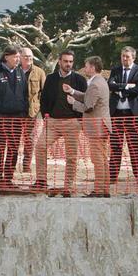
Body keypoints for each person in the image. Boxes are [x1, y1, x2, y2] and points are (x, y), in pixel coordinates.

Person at [31, 50, 87, 197]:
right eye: (65, 61)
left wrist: (79, 120)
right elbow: (43, 99)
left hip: (72, 123)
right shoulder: (50, 79)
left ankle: (68, 186)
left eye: (70, 62)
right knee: (40, 147)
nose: (68, 64)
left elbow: (85, 101)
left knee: (71, 156)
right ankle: (41, 180)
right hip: (53, 122)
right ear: (60, 62)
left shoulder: (80, 80)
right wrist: (46, 116)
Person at [0, 46, 28, 191]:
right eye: (15, 57)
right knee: (0, 148)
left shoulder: (20, 72)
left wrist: (24, 111)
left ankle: (8, 178)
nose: (18, 60)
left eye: (19, 57)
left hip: (17, 117)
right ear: (6, 56)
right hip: (0, 117)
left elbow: (25, 93)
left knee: (14, 149)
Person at [65, 56, 112, 197]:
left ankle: (99, 190)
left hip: (96, 127)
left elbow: (88, 106)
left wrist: (73, 103)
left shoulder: (95, 84)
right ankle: (104, 189)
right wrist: (73, 91)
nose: (85, 69)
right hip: (102, 125)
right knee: (102, 159)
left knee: (97, 159)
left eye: (86, 66)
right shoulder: (100, 81)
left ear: (92, 67)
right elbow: (89, 97)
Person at [107, 46, 138, 185]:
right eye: (123, 56)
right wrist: (127, 86)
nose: (124, 59)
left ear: (133, 58)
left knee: (134, 145)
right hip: (116, 114)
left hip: (132, 114)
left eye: (127, 56)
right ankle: (112, 176)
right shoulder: (115, 70)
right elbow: (110, 85)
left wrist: (122, 89)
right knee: (115, 146)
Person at [20, 47, 46, 172]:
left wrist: (39, 106)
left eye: (30, 56)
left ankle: (26, 165)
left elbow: (44, 92)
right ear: (20, 57)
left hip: (32, 111)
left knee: (29, 139)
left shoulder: (39, 72)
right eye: (26, 57)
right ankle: (11, 164)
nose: (28, 59)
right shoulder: (15, 71)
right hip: (16, 111)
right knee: (14, 138)